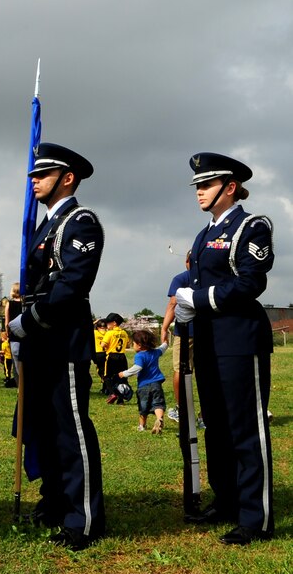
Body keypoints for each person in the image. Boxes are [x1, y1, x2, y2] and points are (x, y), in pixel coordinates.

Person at [8, 142, 105, 550]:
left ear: (67, 178)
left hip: (62, 338)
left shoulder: (80, 221)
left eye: (41, 174)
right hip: (38, 340)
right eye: (33, 174)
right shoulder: (43, 224)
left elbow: (71, 285)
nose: (33, 180)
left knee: (70, 430)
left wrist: (28, 321)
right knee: (44, 429)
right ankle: (54, 502)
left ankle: (83, 517)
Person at [174, 152, 274, 545]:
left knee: (245, 429)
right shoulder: (203, 234)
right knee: (215, 425)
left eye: (206, 184)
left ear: (229, 187)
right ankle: (228, 499)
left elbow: (251, 283)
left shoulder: (252, 226)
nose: (199, 191)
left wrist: (197, 299)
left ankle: (256, 516)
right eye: (197, 185)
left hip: (239, 338)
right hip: (209, 341)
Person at [160, 251, 194, 423]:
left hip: (186, 330)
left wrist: (164, 327)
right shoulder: (211, 277)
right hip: (210, 330)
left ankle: (181, 409)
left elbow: (173, 303)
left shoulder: (181, 278)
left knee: (180, 369)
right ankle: (206, 414)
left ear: (187, 261)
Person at [119, 330, 167, 433]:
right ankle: (159, 418)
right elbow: (163, 348)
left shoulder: (140, 355)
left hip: (144, 385)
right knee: (158, 403)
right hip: (156, 384)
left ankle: (142, 426)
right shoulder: (155, 352)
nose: (132, 345)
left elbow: (138, 367)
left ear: (139, 345)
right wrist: (165, 342)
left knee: (143, 406)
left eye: (133, 343)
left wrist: (124, 373)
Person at [102, 312, 129, 404]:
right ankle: (121, 400)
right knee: (122, 377)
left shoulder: (109, 333)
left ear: (114, 323)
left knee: (107, 376)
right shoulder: (124, 333)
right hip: (122, 357)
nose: (107, 325)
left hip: (112, 356)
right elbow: (127, 343)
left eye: (108, 323)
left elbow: (103, 344)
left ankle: (113, 393)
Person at [4, 282, 23, 382]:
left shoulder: (9, 304)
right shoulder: (26, 303)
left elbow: (7, 322)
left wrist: (7, 333)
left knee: (16, 365)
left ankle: (19, 388)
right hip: (25, 336)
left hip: (14, 337)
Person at [92, 319, 107, 393]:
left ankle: (106, 387)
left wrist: (95, 322)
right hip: (106, 353)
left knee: (100, 371)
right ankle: (105, 387)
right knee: (105, 371)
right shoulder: (107, 333)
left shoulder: (95, 332)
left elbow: (87, 328)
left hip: (98, 354)